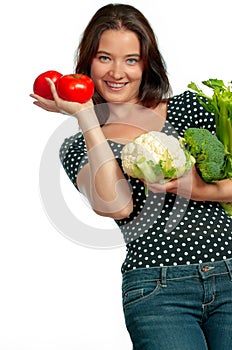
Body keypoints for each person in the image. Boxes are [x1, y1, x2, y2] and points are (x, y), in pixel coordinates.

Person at [30, 3, 232, 349]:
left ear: (147, 63)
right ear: (88, 63)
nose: (117, 72)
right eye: (104, 58)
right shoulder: (79, 145)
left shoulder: (191, 108)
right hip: (158, 289)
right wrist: (87, 117)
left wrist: (198, 189)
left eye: (131, 59)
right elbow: (118, 206)